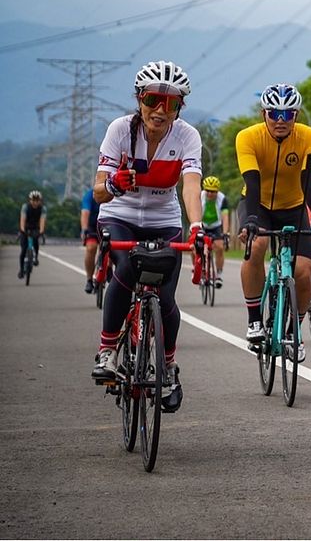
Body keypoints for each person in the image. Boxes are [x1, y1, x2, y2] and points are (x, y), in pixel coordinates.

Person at [89, 60, 204, 416]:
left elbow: (190, 186)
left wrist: (197, 226)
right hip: (119, 216)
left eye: (170, 103)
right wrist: (114, 184)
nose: (160, 110)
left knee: (165, 296)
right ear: (139, 99)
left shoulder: (187, 136)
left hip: (163, 220)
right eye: (153, 99)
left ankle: (168, 367)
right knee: (125, 267)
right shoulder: (120, 130)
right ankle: (108, 351)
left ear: (179, 107)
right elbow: (98, 192)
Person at [236, 84, 311, 363]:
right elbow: (252, 182)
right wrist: (251, 221)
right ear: (264, 113)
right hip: (257, 205)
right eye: (274, 113)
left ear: (296, 116)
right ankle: (254, 320)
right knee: (257, 244)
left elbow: (308, 183)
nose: (281, 120)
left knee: (304, 270)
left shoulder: (310, 137)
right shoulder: (248, 137)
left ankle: (293, 332)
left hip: (294, 207)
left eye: (288, 114)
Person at [199, 175, 231, 288]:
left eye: (213, 191)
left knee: (220, 247)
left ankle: (218, 274)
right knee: (195, 247)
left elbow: (225, 216)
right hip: (202, 224)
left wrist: (225, 233)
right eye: (207, 190)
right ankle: (198, 270)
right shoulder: (199, 196)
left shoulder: (222, 199)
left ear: (217, 191)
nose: (210, 194)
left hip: (216, 225)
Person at [17, 190, 46, 279]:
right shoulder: (25, 207)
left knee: (36, 241)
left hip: (35, 228)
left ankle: (35, 257)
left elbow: (42, 221)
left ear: (40, 201)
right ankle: (21, 269)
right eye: (33, 200)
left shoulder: (42, 209)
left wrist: (41, 231)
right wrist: (22, 230)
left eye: (37, 200)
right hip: (25, 228)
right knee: (23, 250)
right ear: (30, 200)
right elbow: (22, 220)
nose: (35, 202)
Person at [81, 187, 101, 293]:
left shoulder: (112, 192)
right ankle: (89, 279)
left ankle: (108, 268)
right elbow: (85, 212)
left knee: (112, 248)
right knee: (91, 248)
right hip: (92, 226)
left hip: (106, 224)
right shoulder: (89, 195)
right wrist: (84, 229)